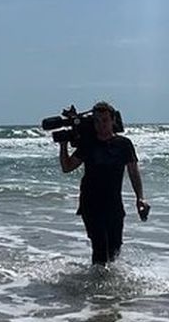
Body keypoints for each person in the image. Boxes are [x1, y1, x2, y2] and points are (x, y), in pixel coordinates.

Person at [58, 102, 148, 265]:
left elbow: (133, 172)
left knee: (114, 250)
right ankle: (96, 288)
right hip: (90, 203)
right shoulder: (88, 143)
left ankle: (107, 286)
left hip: (114, 204)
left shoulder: (124, 144)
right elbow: (67, 167)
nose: (101, 125)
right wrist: (63, 145)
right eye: (97, 121)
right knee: (100, 249)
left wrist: (140, 198)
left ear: (113, 120)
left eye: (105, 120)